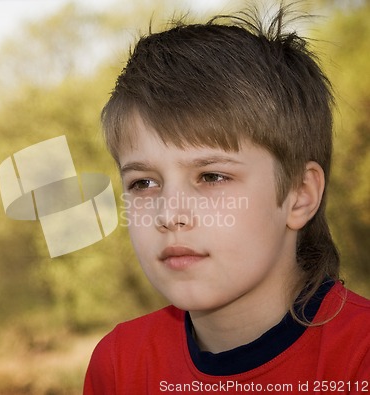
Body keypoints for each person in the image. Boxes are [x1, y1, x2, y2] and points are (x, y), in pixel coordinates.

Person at [83, 3, 370, 394]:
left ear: (300, 195)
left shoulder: (359, 360)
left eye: (212, 176)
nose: (170, 214)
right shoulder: (119, 365)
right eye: (143, 183)